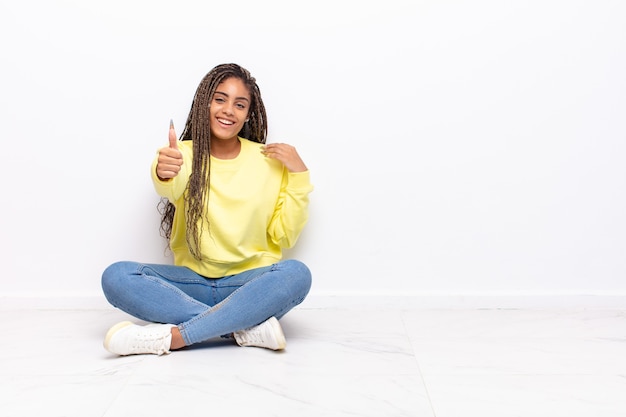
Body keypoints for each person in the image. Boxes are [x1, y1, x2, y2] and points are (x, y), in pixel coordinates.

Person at [101, 63, 313, 356]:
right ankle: (241, 326)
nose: (228, 110)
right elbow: (168, 185)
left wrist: (299, 176)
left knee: (297, 274)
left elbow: (285, 237)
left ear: (248, 114)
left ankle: (177, 337)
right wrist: (164, 172)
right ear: (205, 103)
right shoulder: (182, 154)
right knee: (116, 276)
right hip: (191, 284)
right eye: (220, 99)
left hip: (249, 285)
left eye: (240, 104)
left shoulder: (269, 162)